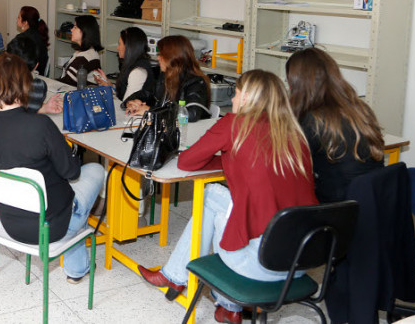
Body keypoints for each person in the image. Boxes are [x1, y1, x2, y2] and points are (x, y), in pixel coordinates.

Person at [136, 70, 318, 323]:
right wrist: (230, 157)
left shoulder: (235, 124)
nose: (232, 100)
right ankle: (226, 305)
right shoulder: (294, 133)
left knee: (211, 195)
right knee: (235, 207)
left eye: (236, 94)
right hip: (300, 264)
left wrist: (223, 156)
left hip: (258, 266)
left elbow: (188, 160)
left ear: (246, 98)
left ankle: (176, 277)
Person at [0, 53, 105, 284]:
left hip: (9, 222)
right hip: (52, 227)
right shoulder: (40, 126)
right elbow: (72, 172)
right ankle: (77, 267)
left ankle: (78, 265)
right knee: (95, 172)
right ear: (26, 86)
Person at [286, 48, 384, 203]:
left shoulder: (313, 121)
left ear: (296, 85)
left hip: (336, 211)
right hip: (372, 206)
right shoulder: (360, 109)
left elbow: (290, 169)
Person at [125, 34, 211, 122]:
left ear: (173, 58)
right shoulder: (165, 76)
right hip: (166, 128)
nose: (158, 58)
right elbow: (147, 94)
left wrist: (151, 110)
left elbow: (192, 114)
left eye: (161, 55)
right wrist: (132, 103)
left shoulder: (196, 82)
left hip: (187, 132)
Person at [0, 35, 63, 114]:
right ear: (35, 66)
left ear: (4, 56)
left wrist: (43, 108)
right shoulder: (38, 87)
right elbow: (24, 112)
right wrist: (42, 108)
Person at [93, 27, 156, 103]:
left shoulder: (138, 72)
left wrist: (108, 90)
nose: (118, 47)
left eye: (120, 44)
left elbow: (126, 104)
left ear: (129, 47)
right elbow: (123, 93)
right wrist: (109, 85)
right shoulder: (133, 64)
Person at [58, 15, 103, 87]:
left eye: (75, 27)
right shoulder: (82, 52)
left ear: (85, 31)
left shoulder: (86, 57)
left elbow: (68, 82)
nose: (71, 30)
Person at [15, 6, 49, 75]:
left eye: (18, 17)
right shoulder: (39, 34)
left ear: (25, 22)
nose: (17, 19)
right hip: (40, 74)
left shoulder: (22, 38)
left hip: (27, 76)